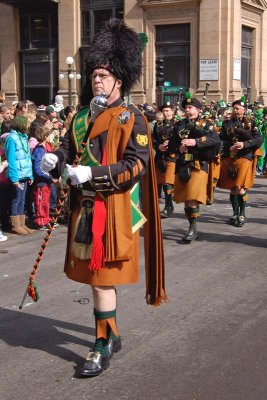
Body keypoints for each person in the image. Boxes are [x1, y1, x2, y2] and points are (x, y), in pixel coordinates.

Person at [40, 18, 166, 377]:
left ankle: (103, 344)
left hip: (114, 210)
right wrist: (55, 161)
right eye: (94, 75)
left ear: (119, 81)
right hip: (85, 209)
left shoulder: (133, 118)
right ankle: (109, 334)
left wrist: (90, 174)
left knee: (101, 280)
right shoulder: (80, 117)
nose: (97, 80)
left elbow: (134, 168)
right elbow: (68, 150)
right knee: (95, 279)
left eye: (104, 76)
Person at [169, 93, 220, 242]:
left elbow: (215, 139)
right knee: (186, 199)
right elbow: (172, 142)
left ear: (198, 110)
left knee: (192, 196)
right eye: (185, 107)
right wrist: (178, 147)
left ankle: (192, 229)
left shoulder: (206, 123)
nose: (187, 110)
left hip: (199, 164)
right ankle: (192, 226)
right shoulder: (179, 125)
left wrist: (196, 141)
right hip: (183, 164)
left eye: (190, 107)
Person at [218, 97, 263, 227]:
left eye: (238, 108)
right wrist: (229, 147)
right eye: (234, 108)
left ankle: (242, 214)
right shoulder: (227, 123)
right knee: (232, 188)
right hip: (229, 157)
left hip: (245, 156)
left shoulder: (251, 122)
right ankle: (235, 213)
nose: (235, 111)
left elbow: (258, 140)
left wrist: (244, 144)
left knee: (239, 187)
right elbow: (221, 139)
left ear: (244, 110)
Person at [4, 115, 35, 235]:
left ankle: (22, 224)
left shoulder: (24, 137)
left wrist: (30, 175)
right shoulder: (11, 138)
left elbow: (27, 158)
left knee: (22, 199)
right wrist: (14, 177)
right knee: (16, 199)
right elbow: (11, 159)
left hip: (25, 174)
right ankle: (15, 224)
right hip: (17, 174)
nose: (28, 126)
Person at [153, 102, 176, 218]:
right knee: (158, 182)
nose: (166, 112)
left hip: (171, 157)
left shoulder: (178, 124)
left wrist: (170, 144)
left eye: (168, 110)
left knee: (167, 182)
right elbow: (153, 140)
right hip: (160, 157)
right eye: (164, 111)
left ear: (173, 111)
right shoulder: (158, 125)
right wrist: (158, 146)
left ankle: (168, 205)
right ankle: (158, 206)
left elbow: (181, 140)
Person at [32, 126, 54, 229]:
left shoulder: (43, 149)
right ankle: (41, 221)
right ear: (45, 136)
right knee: (40, 202)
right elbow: (38, 169)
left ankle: (46, 219)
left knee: (45, 202)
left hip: (45, 182)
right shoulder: (39, 150)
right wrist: (49, 177)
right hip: (41, 182)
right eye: (49, 135)